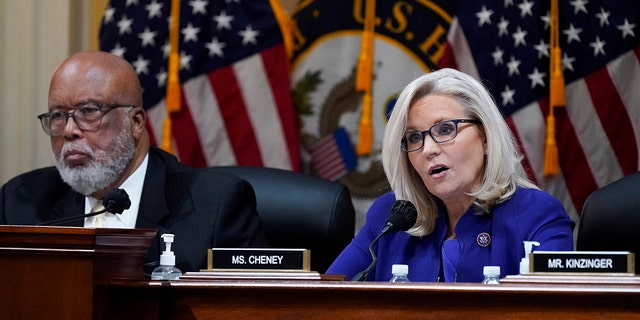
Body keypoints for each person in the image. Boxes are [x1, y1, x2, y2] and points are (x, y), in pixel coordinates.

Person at [0, 51, 268, 274]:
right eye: (58, 115)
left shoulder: (216, 205)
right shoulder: (19, 204)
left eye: (89, 111)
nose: (69, 129)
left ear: (136, 122)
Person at [326, 68, 575, 282]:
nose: (428, 149)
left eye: (445, 129)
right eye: (414, 137)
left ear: (485, 137)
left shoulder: (536, 214)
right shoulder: (389, 219)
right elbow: (323, 302)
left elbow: (557, 311)